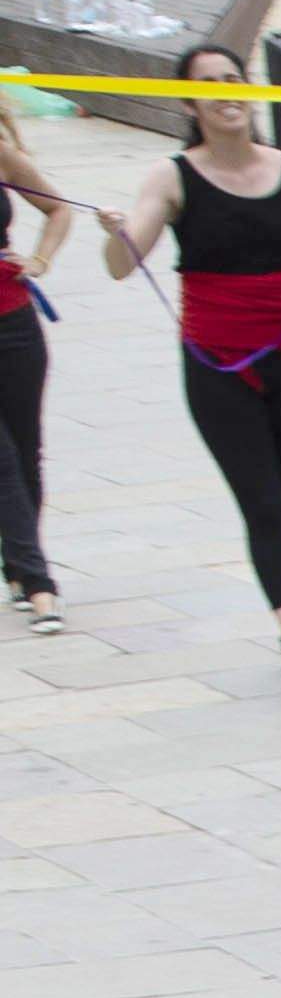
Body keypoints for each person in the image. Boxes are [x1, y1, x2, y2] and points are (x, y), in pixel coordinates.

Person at [101, 49, 281, 703]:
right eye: (209, 84)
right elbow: (121, 264)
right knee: (263, 502)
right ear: (188, 103)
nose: (225, 92)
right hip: (218, 365)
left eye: (233, 80)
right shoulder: (172, 176)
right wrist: (117, 232)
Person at [0, 87, 84, 635]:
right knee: (3, 460)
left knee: (26, 450)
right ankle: (38, 583)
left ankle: (16, 562)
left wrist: (40, 259)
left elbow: (58, 208)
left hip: (14, 322)